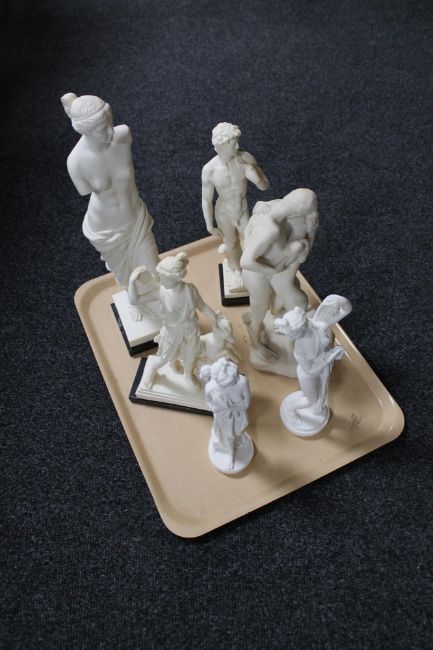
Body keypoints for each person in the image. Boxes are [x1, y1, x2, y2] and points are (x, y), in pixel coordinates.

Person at [61, 93, 160, 287]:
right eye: (101, 129)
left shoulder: (123, 136)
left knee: (154, 270)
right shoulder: (76, 162)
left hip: (136, 219)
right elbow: (85, 191)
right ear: (86, 131)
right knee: (128, 281)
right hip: (107, 229)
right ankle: (137, 300)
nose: (110, 131)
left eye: (110, 123)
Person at [240, 188, 318, 362]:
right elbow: (245, 261)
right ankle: (256, 341)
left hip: (281, 264)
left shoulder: (283, 210)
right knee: (259, 309)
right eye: (310, 211)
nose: (312, 215)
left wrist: (304, 248)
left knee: (298, 301)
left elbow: (309, 233)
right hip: (258, 272)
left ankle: (286, 322)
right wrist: (273, 269)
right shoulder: (270, 228)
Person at [141, 253, 221, 390]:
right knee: (164, 357)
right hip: (172, 332)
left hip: (191, 330)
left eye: (164, 279)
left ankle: (187, 376)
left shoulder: (190, 290)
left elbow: (202, 306)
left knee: (191, 355)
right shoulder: (162, 292)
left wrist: (215, 318)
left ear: (177, 277)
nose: (161, 281)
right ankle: (152, 369)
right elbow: (136, 299)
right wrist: (132, 282)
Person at [201, 122, 269, 276]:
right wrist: (209, 225)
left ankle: (255, 269)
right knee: (231, 243)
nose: (237, 147)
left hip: (242, 209)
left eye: (237, 142)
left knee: (252, 240)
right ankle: (238, 270)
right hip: (224, 212)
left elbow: (264, 186)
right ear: (222, 146)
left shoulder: (246, 159)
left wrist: (256, 177)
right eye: (233, 144)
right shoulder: (209, 170)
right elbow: (206, 200)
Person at [200, 358, 251, 472]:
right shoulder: (211, 387)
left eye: (236, 377)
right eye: (231, 382)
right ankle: (231, 454)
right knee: (229, 436)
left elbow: (246, 403)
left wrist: (231, 408)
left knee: (239, 430)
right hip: (223, 416)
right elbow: (209, 402)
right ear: (219, 382)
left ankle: (240, 437)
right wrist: (217, 408)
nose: (236, 381)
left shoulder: (242, 382)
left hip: (239, 413)